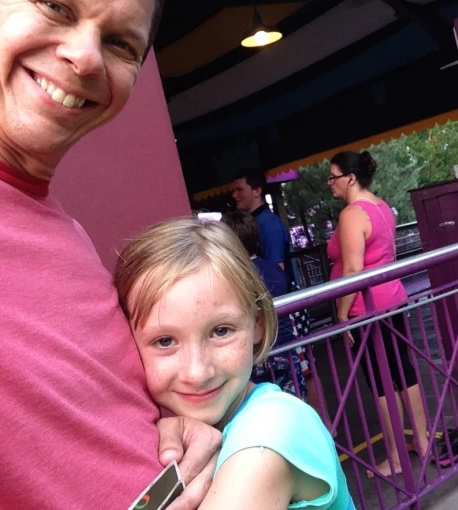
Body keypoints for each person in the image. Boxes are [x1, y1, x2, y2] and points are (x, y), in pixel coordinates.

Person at [0, 0, 219, 508]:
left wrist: (168, 430)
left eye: (121, 43)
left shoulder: (67, 234)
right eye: (55, 7)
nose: (85, 57)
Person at [115, 217, 356, 510]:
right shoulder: (198, 428)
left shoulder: (271, 433)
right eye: (165, 341)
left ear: (256, 325)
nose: (198, 372)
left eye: (221, 331)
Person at [326, 150, 432, 478]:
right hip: (392, 298)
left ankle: (397, 457)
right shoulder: (381, 206)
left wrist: (342, 315)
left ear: (351, 178)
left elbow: (355, 269)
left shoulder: (352, 214)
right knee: (403, 372)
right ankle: (423, 441)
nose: (329, 183)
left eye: (333, 177)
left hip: (366, 309)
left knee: (381, 384)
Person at [221, 210, 307, 400]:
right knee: (293, 402)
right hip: (285, 347)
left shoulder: (237, 276)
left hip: (259, 354)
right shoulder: (274, 268)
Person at [232, 168, 291, 270]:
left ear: (257, 191)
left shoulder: (268, 224)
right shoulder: (259, 221)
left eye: (240, 190)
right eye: (234, 190)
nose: (234, 195)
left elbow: (276, 272)